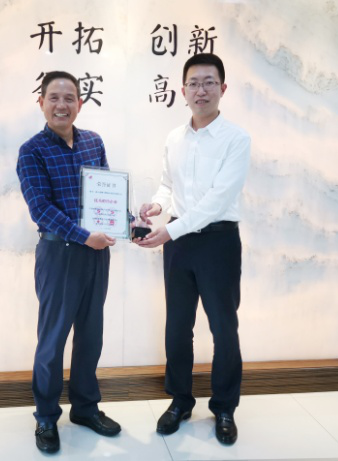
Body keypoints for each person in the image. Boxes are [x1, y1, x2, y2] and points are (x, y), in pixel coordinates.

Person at [136, 53, 251, 445]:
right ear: (182, 90)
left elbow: (217, 201)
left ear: (223, 88)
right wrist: (157, 206)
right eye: (194, 83)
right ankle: (180, 401)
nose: (201, 90)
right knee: (177, 326)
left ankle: (224, 407)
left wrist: (170, 230)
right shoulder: (174, 138)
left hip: (218, 241)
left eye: (209, 82)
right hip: (180, 244)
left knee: (223, 327)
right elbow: (168, 186)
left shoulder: (237, 139)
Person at [16, 71, 121, 454]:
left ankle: (85, 407)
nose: (62, 105)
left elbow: (107, 194)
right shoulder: (32, 151)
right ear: (41, 102)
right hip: (59, 253)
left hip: (96, 254)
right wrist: (84, 236)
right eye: (54, 98)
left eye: (69, 98)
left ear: (80, 102)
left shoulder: (94, 141)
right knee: (53, 339)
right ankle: (46, 416)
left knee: (91, 334)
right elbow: (40, 208)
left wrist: (127, 223)